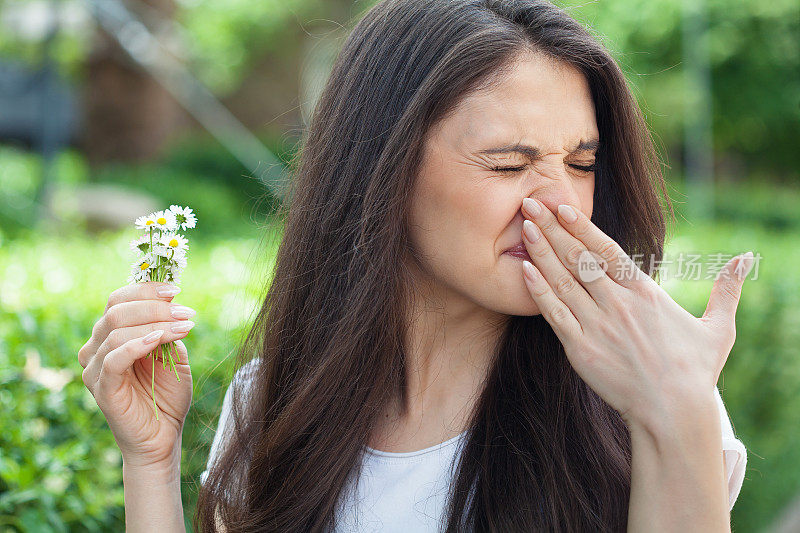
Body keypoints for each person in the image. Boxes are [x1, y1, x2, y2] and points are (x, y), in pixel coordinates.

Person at [78, 0, 751, 531]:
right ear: (384, 172)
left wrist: (681, 411)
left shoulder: (648, 401)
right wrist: (152, 460)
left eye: (581, 164)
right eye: (508, 165)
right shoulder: (273, 402)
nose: (563, 205)